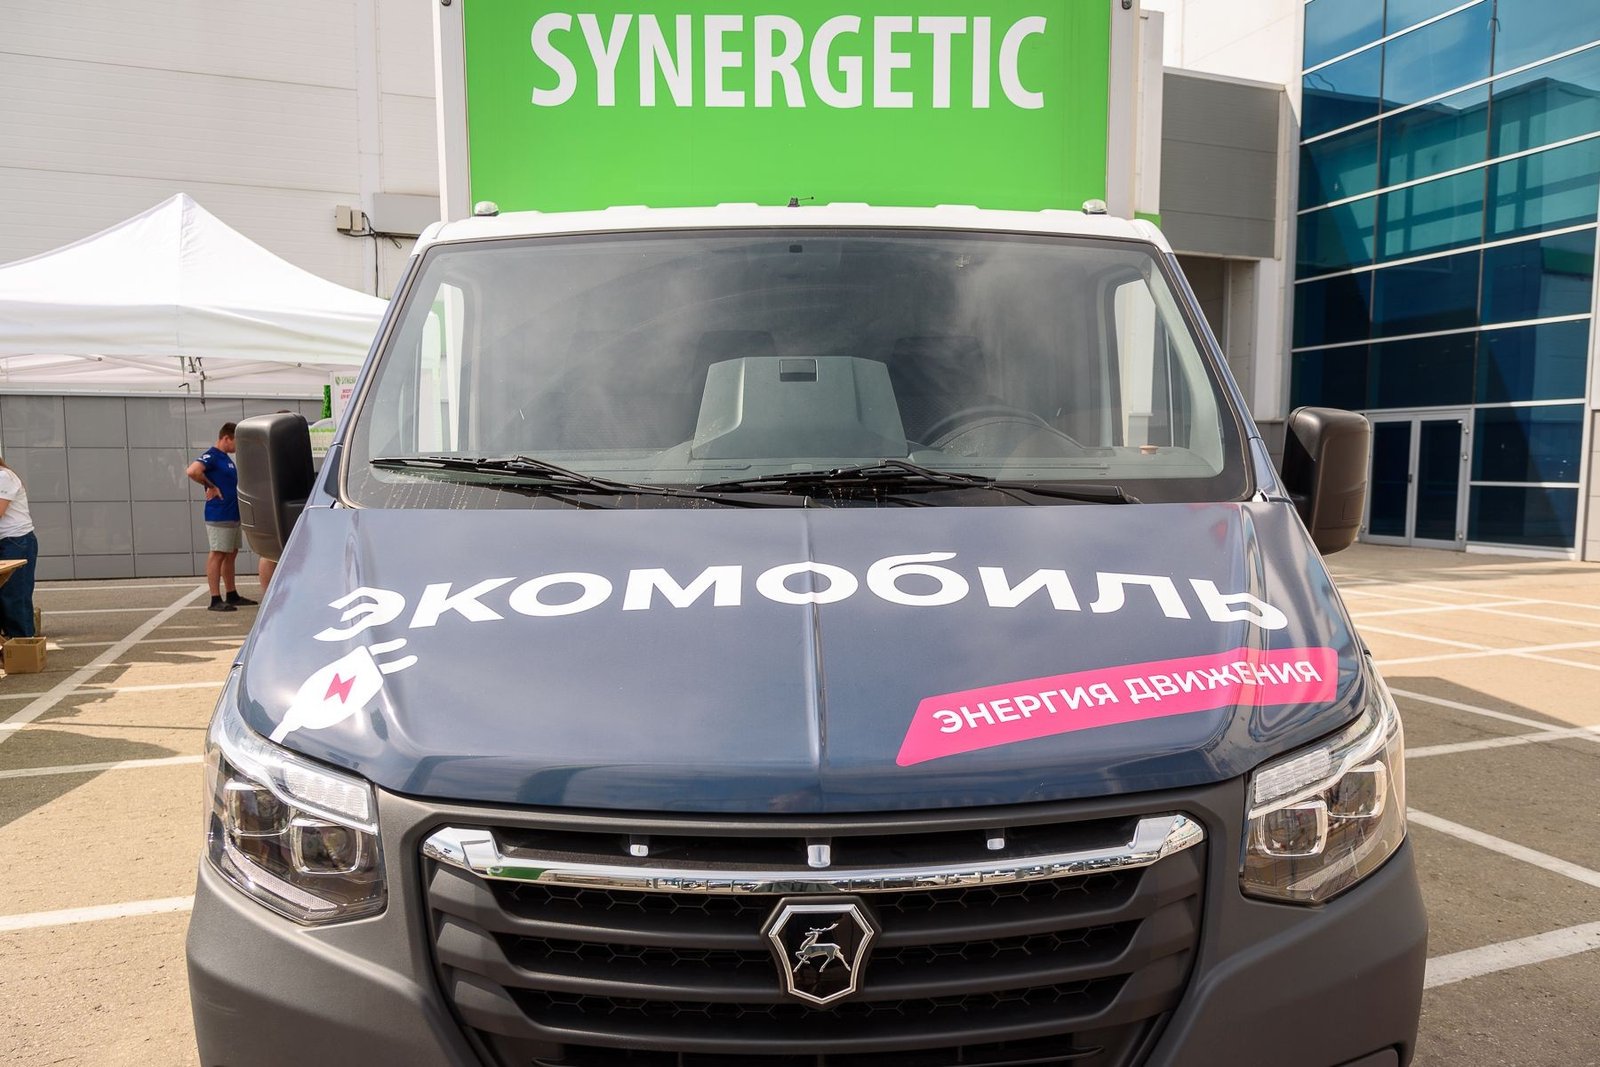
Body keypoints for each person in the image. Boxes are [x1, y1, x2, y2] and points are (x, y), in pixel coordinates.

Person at [187, 423, 258, 613]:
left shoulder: (225, 458)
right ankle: (215, 598)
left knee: (230, 553)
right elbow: (192, 471)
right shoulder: (212, 456)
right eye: (236, 442)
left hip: (232, 513)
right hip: (219, 513)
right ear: (226, 438)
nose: (237, 447)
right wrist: (210, 486)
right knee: (218, 553)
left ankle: (231, 593)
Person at [0, 455, 38, 639]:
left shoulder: (4, 477)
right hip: (8, 541)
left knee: (14, 594)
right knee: (7, 594)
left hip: (16, 541)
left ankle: (22, 643)